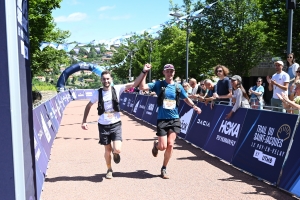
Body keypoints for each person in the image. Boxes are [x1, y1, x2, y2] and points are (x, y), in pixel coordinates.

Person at [133, 63, 202, 179]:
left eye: (171, 71)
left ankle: (164, 168)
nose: (169, 73)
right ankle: (156, 145)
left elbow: (186, 98)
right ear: (164, 73)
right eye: (167, 71)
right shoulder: (158, 84)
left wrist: (194, 106)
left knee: (170, 145)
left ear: (174, 73)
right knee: (162, 147)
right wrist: (145, 72)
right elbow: (142, 87)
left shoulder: (178, 87)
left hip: (174, 119)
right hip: (162, 119)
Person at [81, 70, 134, 179]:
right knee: (107, 150)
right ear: (101, 80)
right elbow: (89, 105)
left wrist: (144, 72)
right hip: (103, 125)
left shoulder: (117, 88)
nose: (106, 81)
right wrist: (84, 121)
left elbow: (134, 84)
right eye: (104, 79)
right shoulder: (98, 93)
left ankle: (116, 153)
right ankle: (109, 169)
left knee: (117, 149)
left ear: (111, 79)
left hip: (115, 123)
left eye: (108, 78)